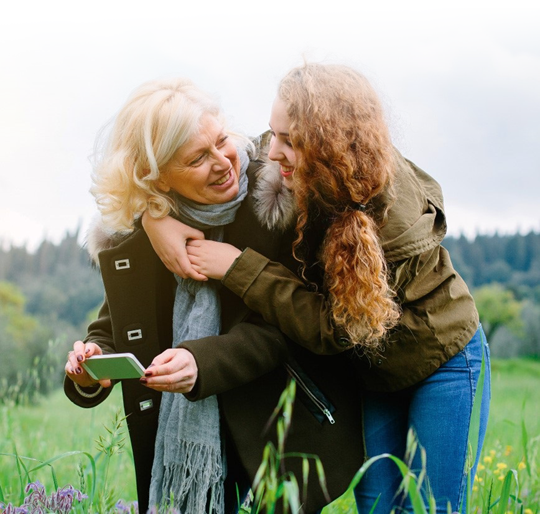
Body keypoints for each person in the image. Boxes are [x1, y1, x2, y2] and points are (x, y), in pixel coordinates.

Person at [142, 63, 491, 513]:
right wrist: (155, 219)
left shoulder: (390, 224)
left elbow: (337, 328)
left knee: (431, 506)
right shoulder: (299, 162)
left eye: (292, 142)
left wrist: (238, 268)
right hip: (377, 372)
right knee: (377, 505)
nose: (273, 153)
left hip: (443, 362)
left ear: (331, 144)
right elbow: (221, 155)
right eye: (275, 135)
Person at [64, 76, 364, 514]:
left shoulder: (276, 200)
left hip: (274, 431)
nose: (223, 161)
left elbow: (288, 327)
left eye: (222, 140)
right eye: (197, 158)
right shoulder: (142, 235)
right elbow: (117, 327)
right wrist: (92, 363)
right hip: (187, 446)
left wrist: (200, 362)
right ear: (157, 178)